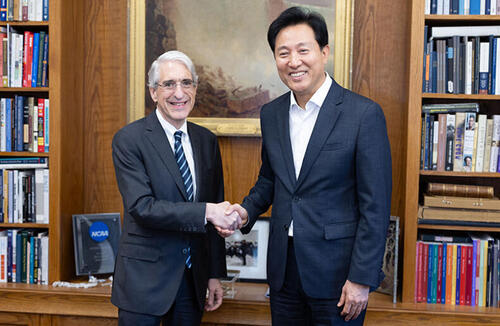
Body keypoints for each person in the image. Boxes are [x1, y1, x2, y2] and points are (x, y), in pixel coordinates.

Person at [222, 7, 392, 325]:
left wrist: (361, 278)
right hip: (284, 273)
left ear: (324, 52)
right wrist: (244, 212)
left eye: (304, 50)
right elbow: (271, 180)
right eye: (283, 53)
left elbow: (376, 207)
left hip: (340, 277)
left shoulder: (362, 114)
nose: (294, 61)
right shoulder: (271, 114)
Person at [111, 50, 242, 326]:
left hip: (191, 281)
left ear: (195, 89)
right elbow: (142, 207)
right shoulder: (129, 139)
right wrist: (207, 211)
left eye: (186, 83)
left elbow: (216, 203)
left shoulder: (206, 141)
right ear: (153, 92)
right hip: (143, 283)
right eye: (168, 84)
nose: (178, 93)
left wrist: (215, 274)